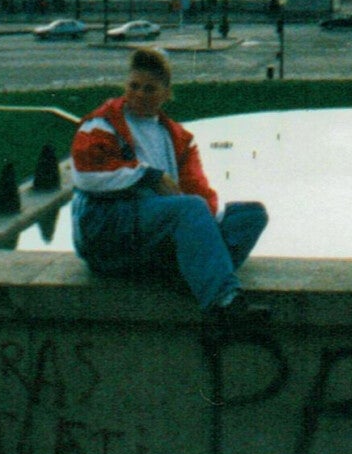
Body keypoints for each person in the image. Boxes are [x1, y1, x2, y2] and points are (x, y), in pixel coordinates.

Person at [70, 47, 271, 341]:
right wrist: (148, 175)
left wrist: (205, 230)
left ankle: (185, 273)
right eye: (133, 86)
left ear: (166, 93)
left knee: (251, 216)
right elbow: (86, 175)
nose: (139, 94)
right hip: (108, 229)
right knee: (188, 209)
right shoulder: (102, 123)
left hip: (152, 231)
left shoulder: (178, 138)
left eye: (149, 89)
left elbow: (199, 192)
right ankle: (225, 303)